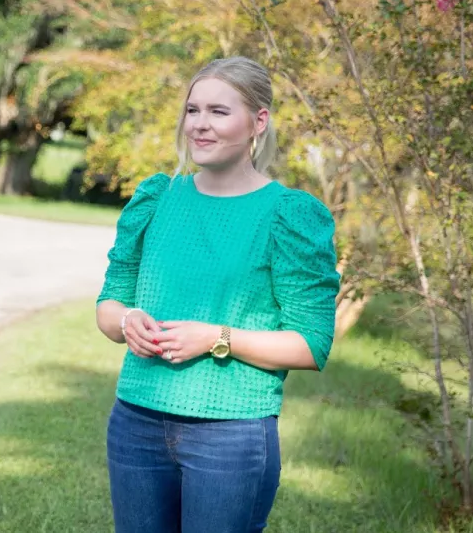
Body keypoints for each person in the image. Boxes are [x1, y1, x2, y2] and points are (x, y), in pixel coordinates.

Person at [95, 56, 340, 532]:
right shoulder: (156, 199)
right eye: (193, 110)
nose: (200, 125)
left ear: (259, 122)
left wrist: (215, 337)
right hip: (135, 422)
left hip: (230, 436)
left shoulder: (288, 215)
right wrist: (126, 322)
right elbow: (109, 303)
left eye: (219, 112)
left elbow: (311, 344)